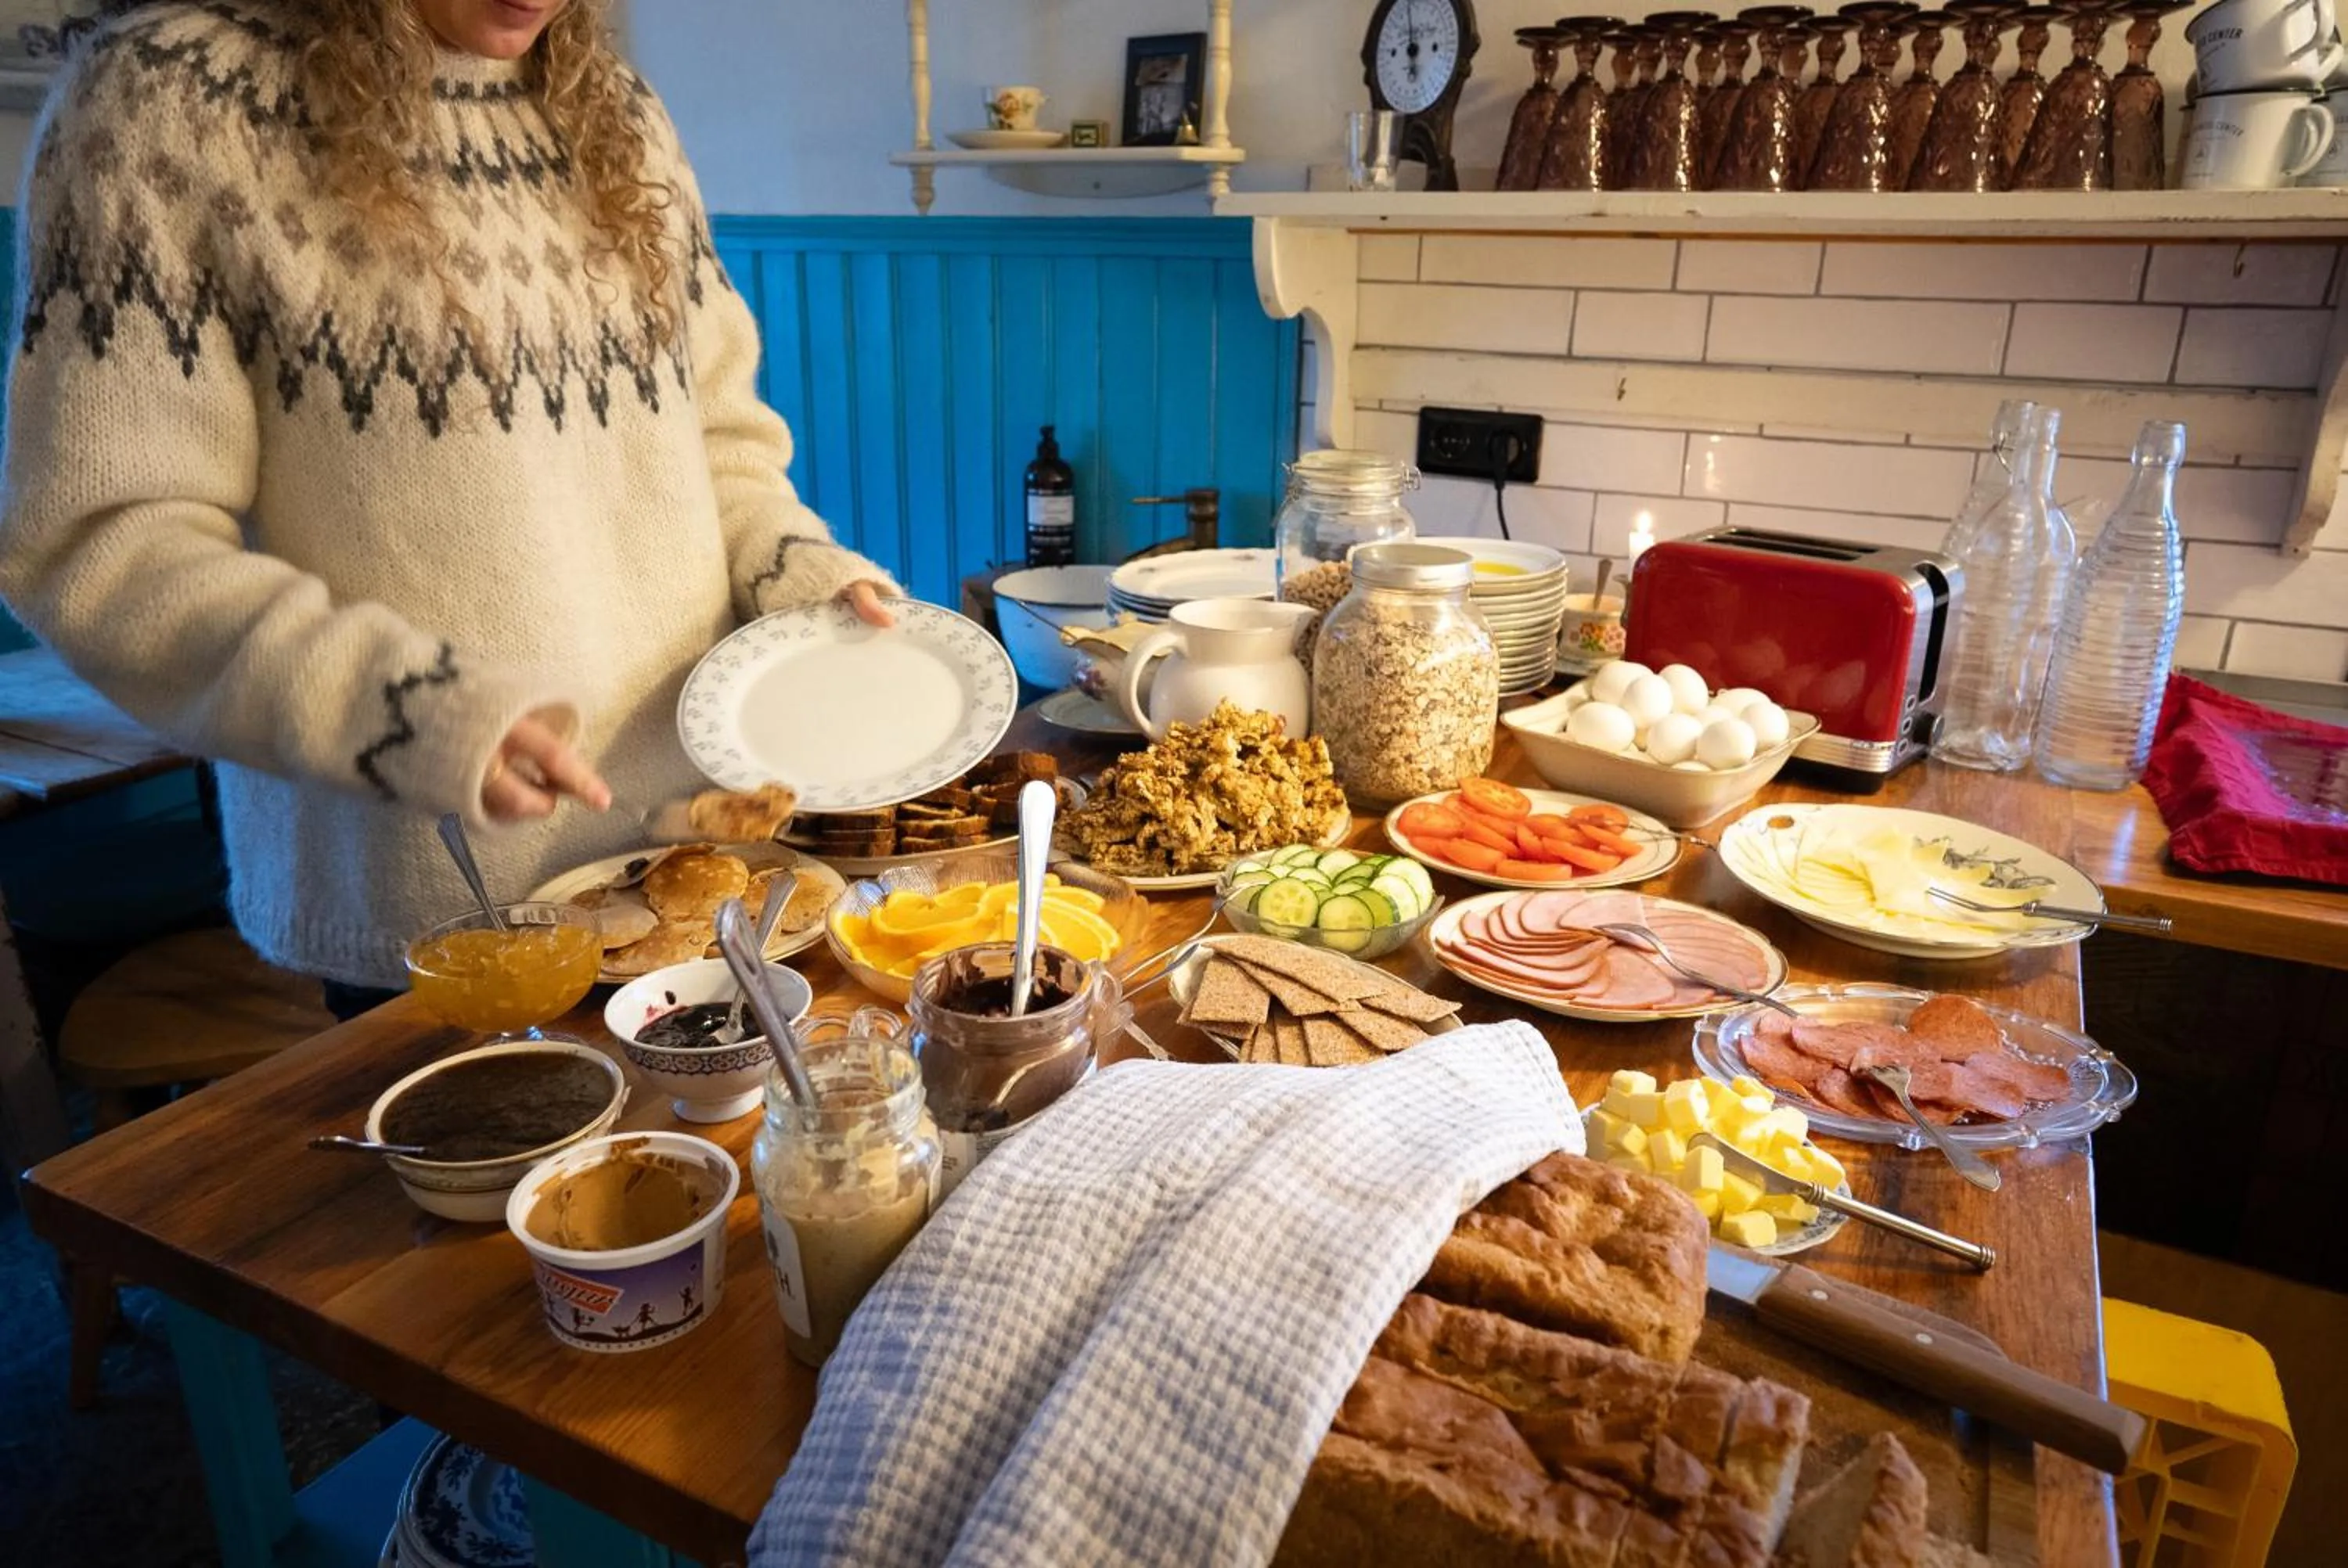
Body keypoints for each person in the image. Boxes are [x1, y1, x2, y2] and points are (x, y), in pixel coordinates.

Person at [0, 0, 897, 1018]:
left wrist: (801, 577)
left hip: (704, 859)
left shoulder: (612, 109)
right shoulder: (170, 102)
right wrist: (404, 710)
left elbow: (718, 440)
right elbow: (102, 541)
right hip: (444, 902)